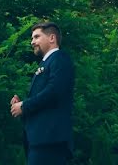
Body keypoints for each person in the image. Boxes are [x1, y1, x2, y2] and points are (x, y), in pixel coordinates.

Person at [10, 21, 75, 164]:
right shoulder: (46, 63)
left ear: (52, 38)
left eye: (36, 37)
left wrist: (24, 106)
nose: (32, 42)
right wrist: (21, 105)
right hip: (40, 139)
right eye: (32, 38)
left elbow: (54, 92)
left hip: (50, 139)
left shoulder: (59, 58)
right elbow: (44, 98)